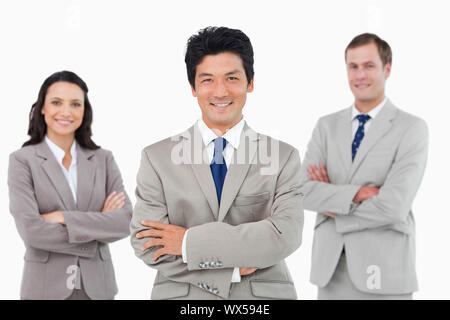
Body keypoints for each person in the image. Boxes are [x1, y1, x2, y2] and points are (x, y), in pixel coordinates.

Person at [130, 26, 303, 300]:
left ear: (250, 82)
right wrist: (229, 272)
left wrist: (186, 242)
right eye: (208, 80)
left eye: (232, 78)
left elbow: (285, 235)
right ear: (193, 87)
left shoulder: (283, 157)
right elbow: (148, 244)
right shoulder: (157, 158)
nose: (220, 91)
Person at [300, 33, 428, 299]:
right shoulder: (326, 126)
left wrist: (331, 202)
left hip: (385, 271)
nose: (360, 75)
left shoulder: (411, 128)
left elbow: (394, 207)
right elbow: (301, 191)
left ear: (387, 69)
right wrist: (359, 193)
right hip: (330, 271)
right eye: (353, 66)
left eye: (369, 66)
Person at [8, 71, 132, 300]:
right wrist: (99, 225)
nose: (66, 112)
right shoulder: (22, 160)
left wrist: (63, 217)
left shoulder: (103, 159)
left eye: (75, 104)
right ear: (42, 107)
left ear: (84, 111)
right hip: (45, 289)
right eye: (56, 102)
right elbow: (31, 231)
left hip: (98, 290)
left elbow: (124, 222)